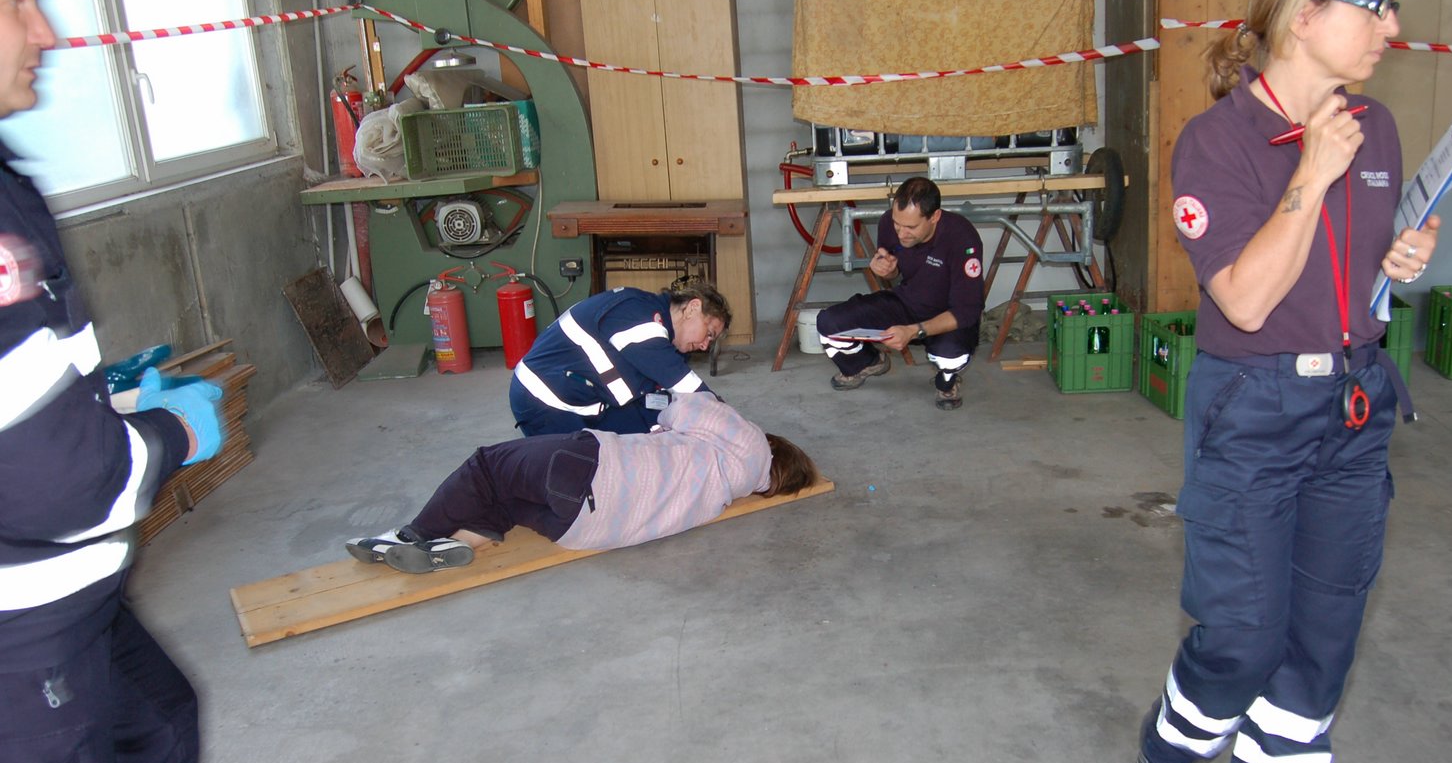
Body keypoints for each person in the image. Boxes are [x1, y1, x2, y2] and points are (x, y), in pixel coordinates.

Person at [1123, 0, 1440, 763]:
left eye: (1391, 3)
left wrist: (1398, 265)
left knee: (1323, 629)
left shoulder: (1375, 127)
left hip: (1353, 399)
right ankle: (1168, 749)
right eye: (1372, 3)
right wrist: (1311, 172)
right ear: (1305, 15)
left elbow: (1349, 276)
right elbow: (1247, 301)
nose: (1391, 24)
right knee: (1242, 633)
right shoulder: (1216, 143)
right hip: (1252, 406)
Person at [0, 0, 224, 763]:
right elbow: (62, 478)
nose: (44, 31)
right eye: (15, 6)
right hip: (21, 645)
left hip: (71, 609)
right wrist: (175, 434)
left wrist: (114, 402)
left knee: (156, 727)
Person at [347, 393, 816, 569]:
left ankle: (405, 537)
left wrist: (668, 415)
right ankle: (455, 544)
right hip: (582, 532)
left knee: (488, 467)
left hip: (591, 471)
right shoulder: (724, 495)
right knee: (508, 501)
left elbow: (684, 406)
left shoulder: (752, 443)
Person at [816, 176, 984, 410]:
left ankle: (946, 381)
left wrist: (914, 331)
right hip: (906, 302)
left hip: (948, 317)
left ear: (935, 217)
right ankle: (868, 363)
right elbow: (892, 270)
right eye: (897, 224)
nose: (902, 233)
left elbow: (967, 311)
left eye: (911, 227)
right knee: (829, 323)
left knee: (949, 355)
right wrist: (886, 271)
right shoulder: (888, 224)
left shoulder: (962, 237)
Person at [509, 282, 729, 438]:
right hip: (544, 400)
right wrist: (729, 420)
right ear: (693, 307)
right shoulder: (639, 315)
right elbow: (684, 384)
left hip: (591, 401)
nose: (705, 346)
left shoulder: (664, 341)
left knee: (652, 446)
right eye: (709, 333)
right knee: (584, 477)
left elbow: (655, 398)